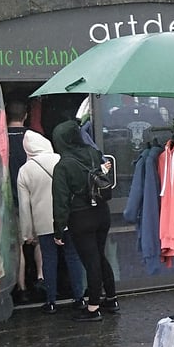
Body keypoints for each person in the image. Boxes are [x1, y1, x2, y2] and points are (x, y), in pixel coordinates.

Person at [51, 119, 118, 322]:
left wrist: (58, 229)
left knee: (91, 261)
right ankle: (112, 298)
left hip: (81, 217)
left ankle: (93, 307)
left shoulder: (63, 165)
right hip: (102, 213)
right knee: (99, 255)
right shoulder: (93, 153)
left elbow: (60, 201)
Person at [16, 129, 88, 315]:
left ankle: (51, 301)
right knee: (73, 256)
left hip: (43, 222)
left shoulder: (25, 171)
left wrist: (27, 233)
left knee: (49, 259)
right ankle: (79, 297)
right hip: (67, 218)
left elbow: (24, 207)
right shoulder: (60, 159)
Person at [5, 101, 39, 301]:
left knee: (18, 245)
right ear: (25, 115)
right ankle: (43, 279)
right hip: (35, 197)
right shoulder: (34, 138)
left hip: (11, 199)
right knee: (39, 241)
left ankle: (21, 287)